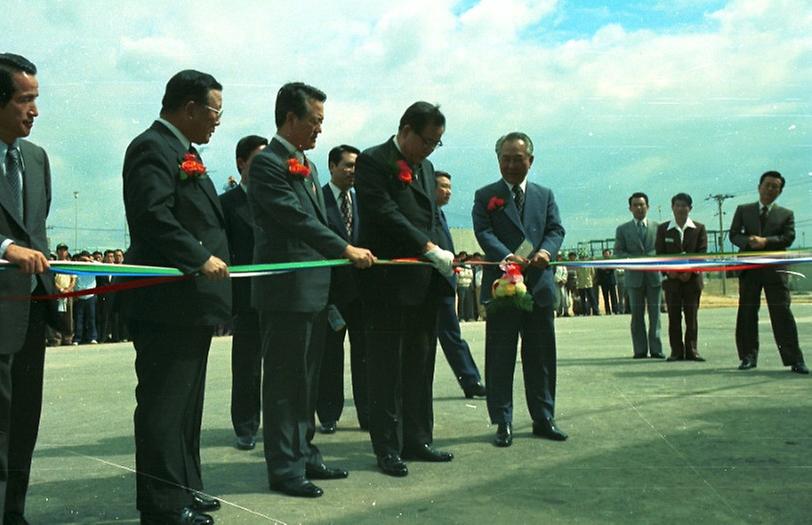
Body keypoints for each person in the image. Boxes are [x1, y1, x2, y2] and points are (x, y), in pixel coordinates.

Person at [248, 83, 375, 498]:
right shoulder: (268, 163)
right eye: (315, 120)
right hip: (286, 291)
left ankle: (304, 453)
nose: (321, 129)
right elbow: (294, 218)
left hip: (314, 289)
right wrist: (344, 248)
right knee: (285, 383)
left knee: (307, 381)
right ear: (290, 119)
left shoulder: (309, 165)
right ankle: (285, 468)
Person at [121, 69, 230, 524]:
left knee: (186, 405)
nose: (217, 123)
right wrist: (199, 256)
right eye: (214, 112)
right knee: (164, 408)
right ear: (189, 108)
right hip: (167, 302)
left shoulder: (184, 151)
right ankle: (164, 506)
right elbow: (152, 215)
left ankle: (185, 487)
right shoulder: (152, 147)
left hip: (191, 303)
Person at [355, 101, 456, 477]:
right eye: (427, 141)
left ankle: (417, 439)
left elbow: (428, 218)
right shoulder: (373, 160)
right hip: (387, 285)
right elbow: (385, 212)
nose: (430, 149)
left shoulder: (426, 168)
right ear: (406, 129)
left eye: (437, 143)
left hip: (423, 284)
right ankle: (388, 447)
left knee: (420, 362)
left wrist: (439, 251)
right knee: (386, 367)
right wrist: (429, 249)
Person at [472, 131, 566, 448]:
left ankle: (544, 418)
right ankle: (503, 421)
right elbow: (483, 231)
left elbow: (555, 229)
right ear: (499, 160)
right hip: (503, 288)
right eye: (506, 158)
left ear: (531, 160)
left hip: (537, 287)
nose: (511, 165)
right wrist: (506, 256)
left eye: (518, 158)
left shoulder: (545, 194)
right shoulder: (486, 195)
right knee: (500, 357)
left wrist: (546, 252)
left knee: (540, 356)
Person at [0, 52, 56, 525]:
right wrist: (4, 246)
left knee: (22, 422)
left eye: (36, 99)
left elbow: (35, 230)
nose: (34, 110)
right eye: (24, 100)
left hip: (31, 310)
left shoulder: (36, 159)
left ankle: (13, 513)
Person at [729, 171, 808, 374]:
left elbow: (788, 237)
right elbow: (734, 235)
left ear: (780, 191)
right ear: (759, 187)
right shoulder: (743, 210)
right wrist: (748, 242)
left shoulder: (786, 214)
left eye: (775, 187)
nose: (770, 189)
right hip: (750, 269)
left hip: (775, 271)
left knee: (782, 313)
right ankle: (748, 357)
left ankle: (794, 359)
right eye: (767, 185)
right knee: (747, 313)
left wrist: (766, 242)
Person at [316, 144, 370, 433]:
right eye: (348, 165)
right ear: (332, 166)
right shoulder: (317, 200)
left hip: (361, 294)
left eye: (356, 167)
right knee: (329, 357)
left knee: (365, 355)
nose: (353, 172)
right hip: (330, 294)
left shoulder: (363, 200)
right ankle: (328, 414)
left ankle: (367, 414)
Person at [220, 134, 267, 451]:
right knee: (248, 365)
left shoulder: (278, 199)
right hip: (247, 298)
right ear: (241, 164)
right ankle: (246, 426)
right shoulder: (226, 204)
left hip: (280, 294)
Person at [434, 170, 486, 398]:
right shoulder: (428, 215)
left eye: (450, 188)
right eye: (443, 186)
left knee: (452, 335)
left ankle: (470, 381)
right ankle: (470, 380)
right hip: (432, 285)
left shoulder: (440, 215)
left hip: (444, 285)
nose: (448, 192)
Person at [655, 193, 708, 361]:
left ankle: (692, 350)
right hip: (672, 282)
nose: (680, 209)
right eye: (677, 205)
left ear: (690, 208)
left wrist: (689, 272)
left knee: (692, 316)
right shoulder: (663, 229)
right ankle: (676, 351)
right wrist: (670, 272)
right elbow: (659, 255)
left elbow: (702, 254)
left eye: (684, 206)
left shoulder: (699, 228)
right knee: (674, 317)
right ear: (672, 207)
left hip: (692, 281)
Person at [614, 192, 664, 359]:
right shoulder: (622, 229)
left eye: (642, 205)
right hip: (634, 277)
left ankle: (656, 349)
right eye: (635, 205)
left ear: (648, 207)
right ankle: (640, 350)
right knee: (636, 315)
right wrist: (631, 260)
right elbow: (618, 252)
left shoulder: (658, 227)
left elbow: (663, 252)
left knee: (655, 314)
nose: (639, 208)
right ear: (630, 208)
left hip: (654, 277)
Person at [595, 249, 619, 314]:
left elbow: (613, 268)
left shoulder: (612, 261)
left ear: (610, 254)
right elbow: (599, 270)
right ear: (603, 254)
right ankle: (607, 310)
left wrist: (606, 268)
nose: (606, 255)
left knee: (613, 297)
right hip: (604, 282)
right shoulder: (601, 262)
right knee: (605, 297)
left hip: (611, 281)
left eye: (607, 253)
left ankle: (615, 310)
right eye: (605, 254)